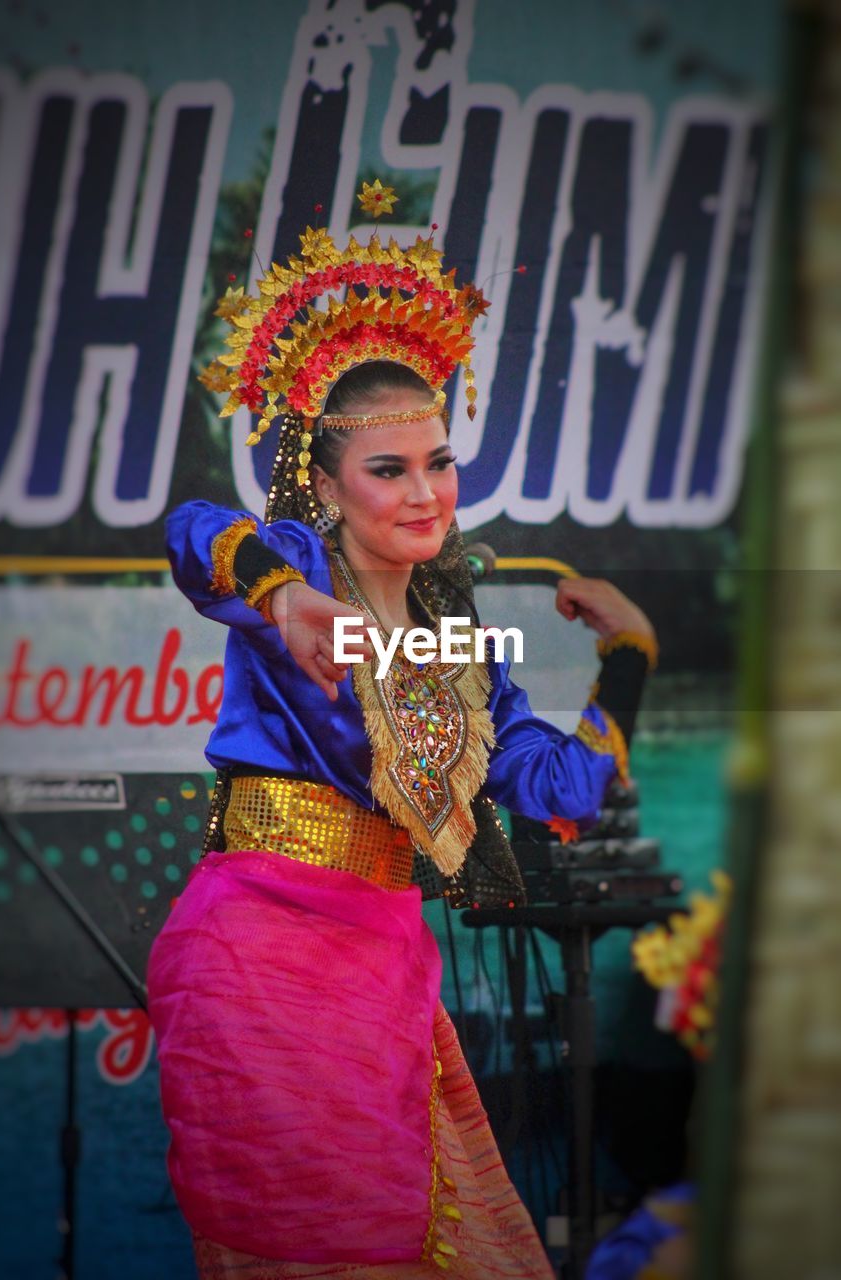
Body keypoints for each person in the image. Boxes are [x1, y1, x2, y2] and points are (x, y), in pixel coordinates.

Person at [146, 182, 658, 1280]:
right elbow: (195, 533)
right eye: (389, 467)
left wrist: (628, 662)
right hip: (260, 955)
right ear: (327, 486)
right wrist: (284, 599)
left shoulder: (457, 651)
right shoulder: (295, 564)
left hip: (381, 965)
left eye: (439, 460)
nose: (426, 491)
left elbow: (562, 787)